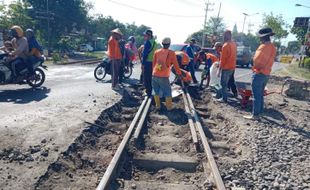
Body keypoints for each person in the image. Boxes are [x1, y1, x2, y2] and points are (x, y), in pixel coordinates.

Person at [244, 27, 277, 119]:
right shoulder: (272, 47)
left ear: (263, 37)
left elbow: (257, 62)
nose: (259, 39)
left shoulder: (263, 47)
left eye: (260, 37)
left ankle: (255, 115)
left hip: (259, 73)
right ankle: (260, 112)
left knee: (256, 95)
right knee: (260, 94)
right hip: (266, 73)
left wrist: (253, 63)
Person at [152, 37, 182, 110]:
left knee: (156, 91)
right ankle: (169, 107)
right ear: (169, 44)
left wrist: (153, 73)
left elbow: (153, 64)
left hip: (155, 74)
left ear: (162, 44)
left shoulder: (156, 51)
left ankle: (158, 106)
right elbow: (176, 64)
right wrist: (179, 73)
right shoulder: (171, 53)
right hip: (164, 76)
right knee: (167, 91)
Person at [217, 30, 237, 103]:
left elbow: (223, 59)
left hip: (226, 68)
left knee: (223, 84)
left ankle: (224, 99)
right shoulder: (234, 44)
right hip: (232, 67)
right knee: (230, 82)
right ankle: (232, 94)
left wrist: (219, 70)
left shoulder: (225, 46)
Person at [142, 29, 156, 97]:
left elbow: (145, 54)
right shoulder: (155, 42)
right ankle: (152, 90)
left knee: (147, 77)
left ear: (148, 35)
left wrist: (143, 63)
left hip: (148, 62)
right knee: (151, 77)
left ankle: (148, 92)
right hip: (154, 63)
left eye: (145, 35)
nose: (144, 36)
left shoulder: (148, 42)